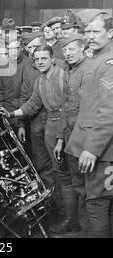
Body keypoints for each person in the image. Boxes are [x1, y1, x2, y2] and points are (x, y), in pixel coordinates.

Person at [9, 45, 79, 231]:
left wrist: (61, 137)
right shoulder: (40, 80)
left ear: (52, 59)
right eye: (37, 59)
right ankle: (62, 212)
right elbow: (32, 105)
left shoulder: (63, 75)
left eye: (44, 59)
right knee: (57, 171)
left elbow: (70, 107)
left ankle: (71, 219)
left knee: (65, 174)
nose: (40, 62)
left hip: (65, 126)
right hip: (50, 125)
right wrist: (10, 114)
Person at [65, 14, 113, 238]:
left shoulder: (108, 63)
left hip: (100, 152)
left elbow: (108, 111)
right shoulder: (95, 59)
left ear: (110, 33)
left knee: (97, 205)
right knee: (91, 202)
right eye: (88, 32)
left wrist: (93, 148)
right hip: (85, 145)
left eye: (96, 32)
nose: (90, 36)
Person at [51, 33, 87, 234]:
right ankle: (75, 224)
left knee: (87, 190)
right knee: (76, 184)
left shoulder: (89, 71)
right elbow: (65, 108)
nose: (67, 53)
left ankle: (87, 231)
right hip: (71, 138)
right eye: (65, 50)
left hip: (86, 138)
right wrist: (60, 139)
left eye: (72, 49)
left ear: (82, 49)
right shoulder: (69, 71)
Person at [19, 32, 54, 188]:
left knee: (59, 165)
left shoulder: (59, 66)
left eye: (36, 46)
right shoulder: (28, 67)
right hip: (36, 124)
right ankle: (49, 200)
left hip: (55, 123)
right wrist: (20, 124)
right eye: (30, 47)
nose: (33, 51)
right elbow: (25, 97)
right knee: (41, 164)